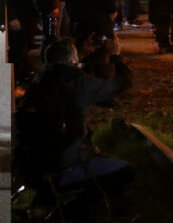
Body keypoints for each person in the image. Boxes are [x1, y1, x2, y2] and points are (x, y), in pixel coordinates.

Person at [14, 37, 134, 212]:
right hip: (62, 168)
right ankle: (73, 212)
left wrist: (83, 52)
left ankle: (46, 199)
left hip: (31, 169)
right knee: (125, 170)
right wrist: (116, 56)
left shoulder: (37, 83)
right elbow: (124, 82)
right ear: (72, 60)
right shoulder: (79, 84)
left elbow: (63, 67)